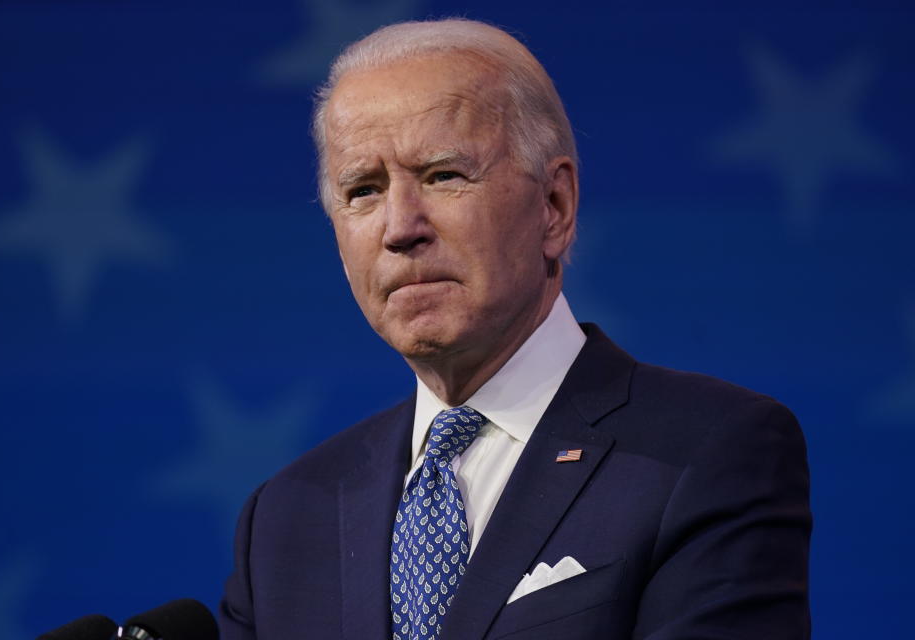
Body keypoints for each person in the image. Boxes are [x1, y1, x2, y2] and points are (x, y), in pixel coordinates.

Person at [220, 18, 811, 640]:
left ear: (553, 207)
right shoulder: (285, 519)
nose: (399, 228)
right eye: (363, 190)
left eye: (443, 175)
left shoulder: (707, 452)